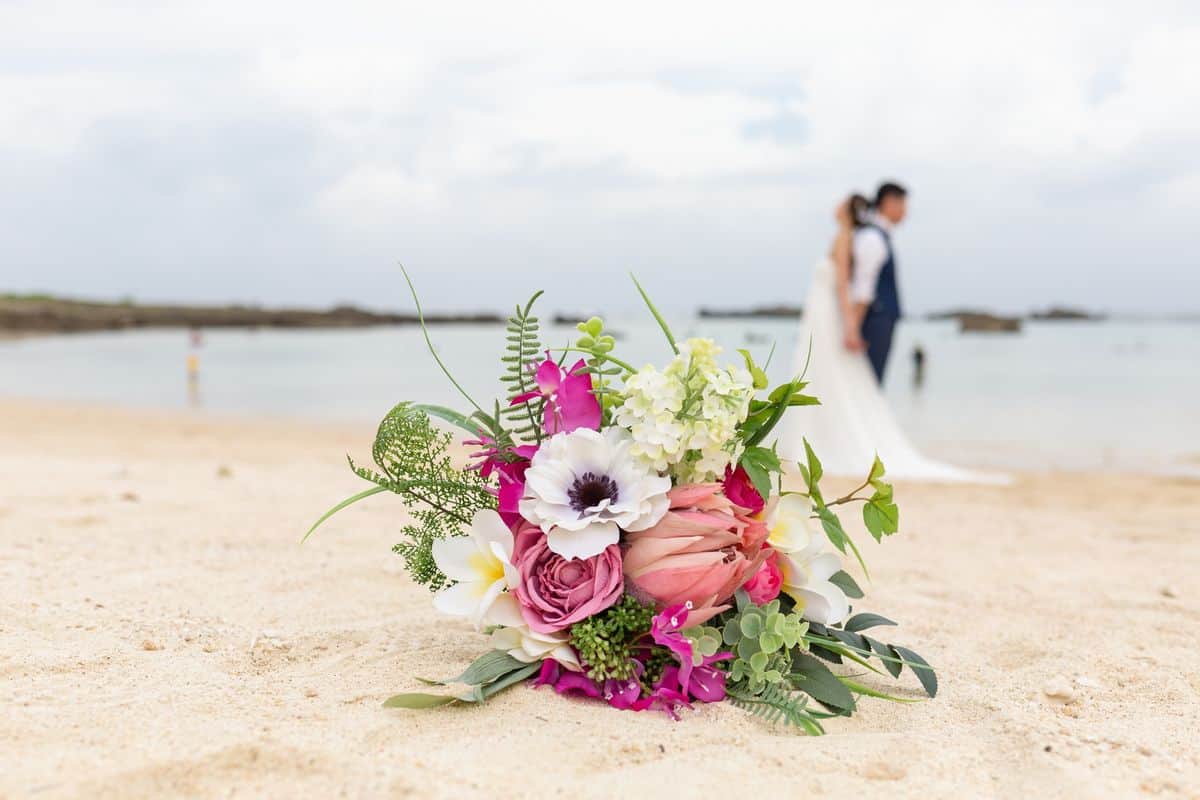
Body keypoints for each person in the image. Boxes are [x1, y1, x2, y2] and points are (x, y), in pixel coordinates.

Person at [781, 183, 1006, 483]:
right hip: (862, 318)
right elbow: (860, 285)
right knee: (859, 385)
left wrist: (849, 322)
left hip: (841, 318)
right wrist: (853, 323)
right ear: (888, 202)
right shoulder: (870, 237)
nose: (906, 211)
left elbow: (853, 284)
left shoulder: (860, 236)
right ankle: (839, 441)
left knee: (859, 387)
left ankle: (848, 442)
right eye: (903, 204)